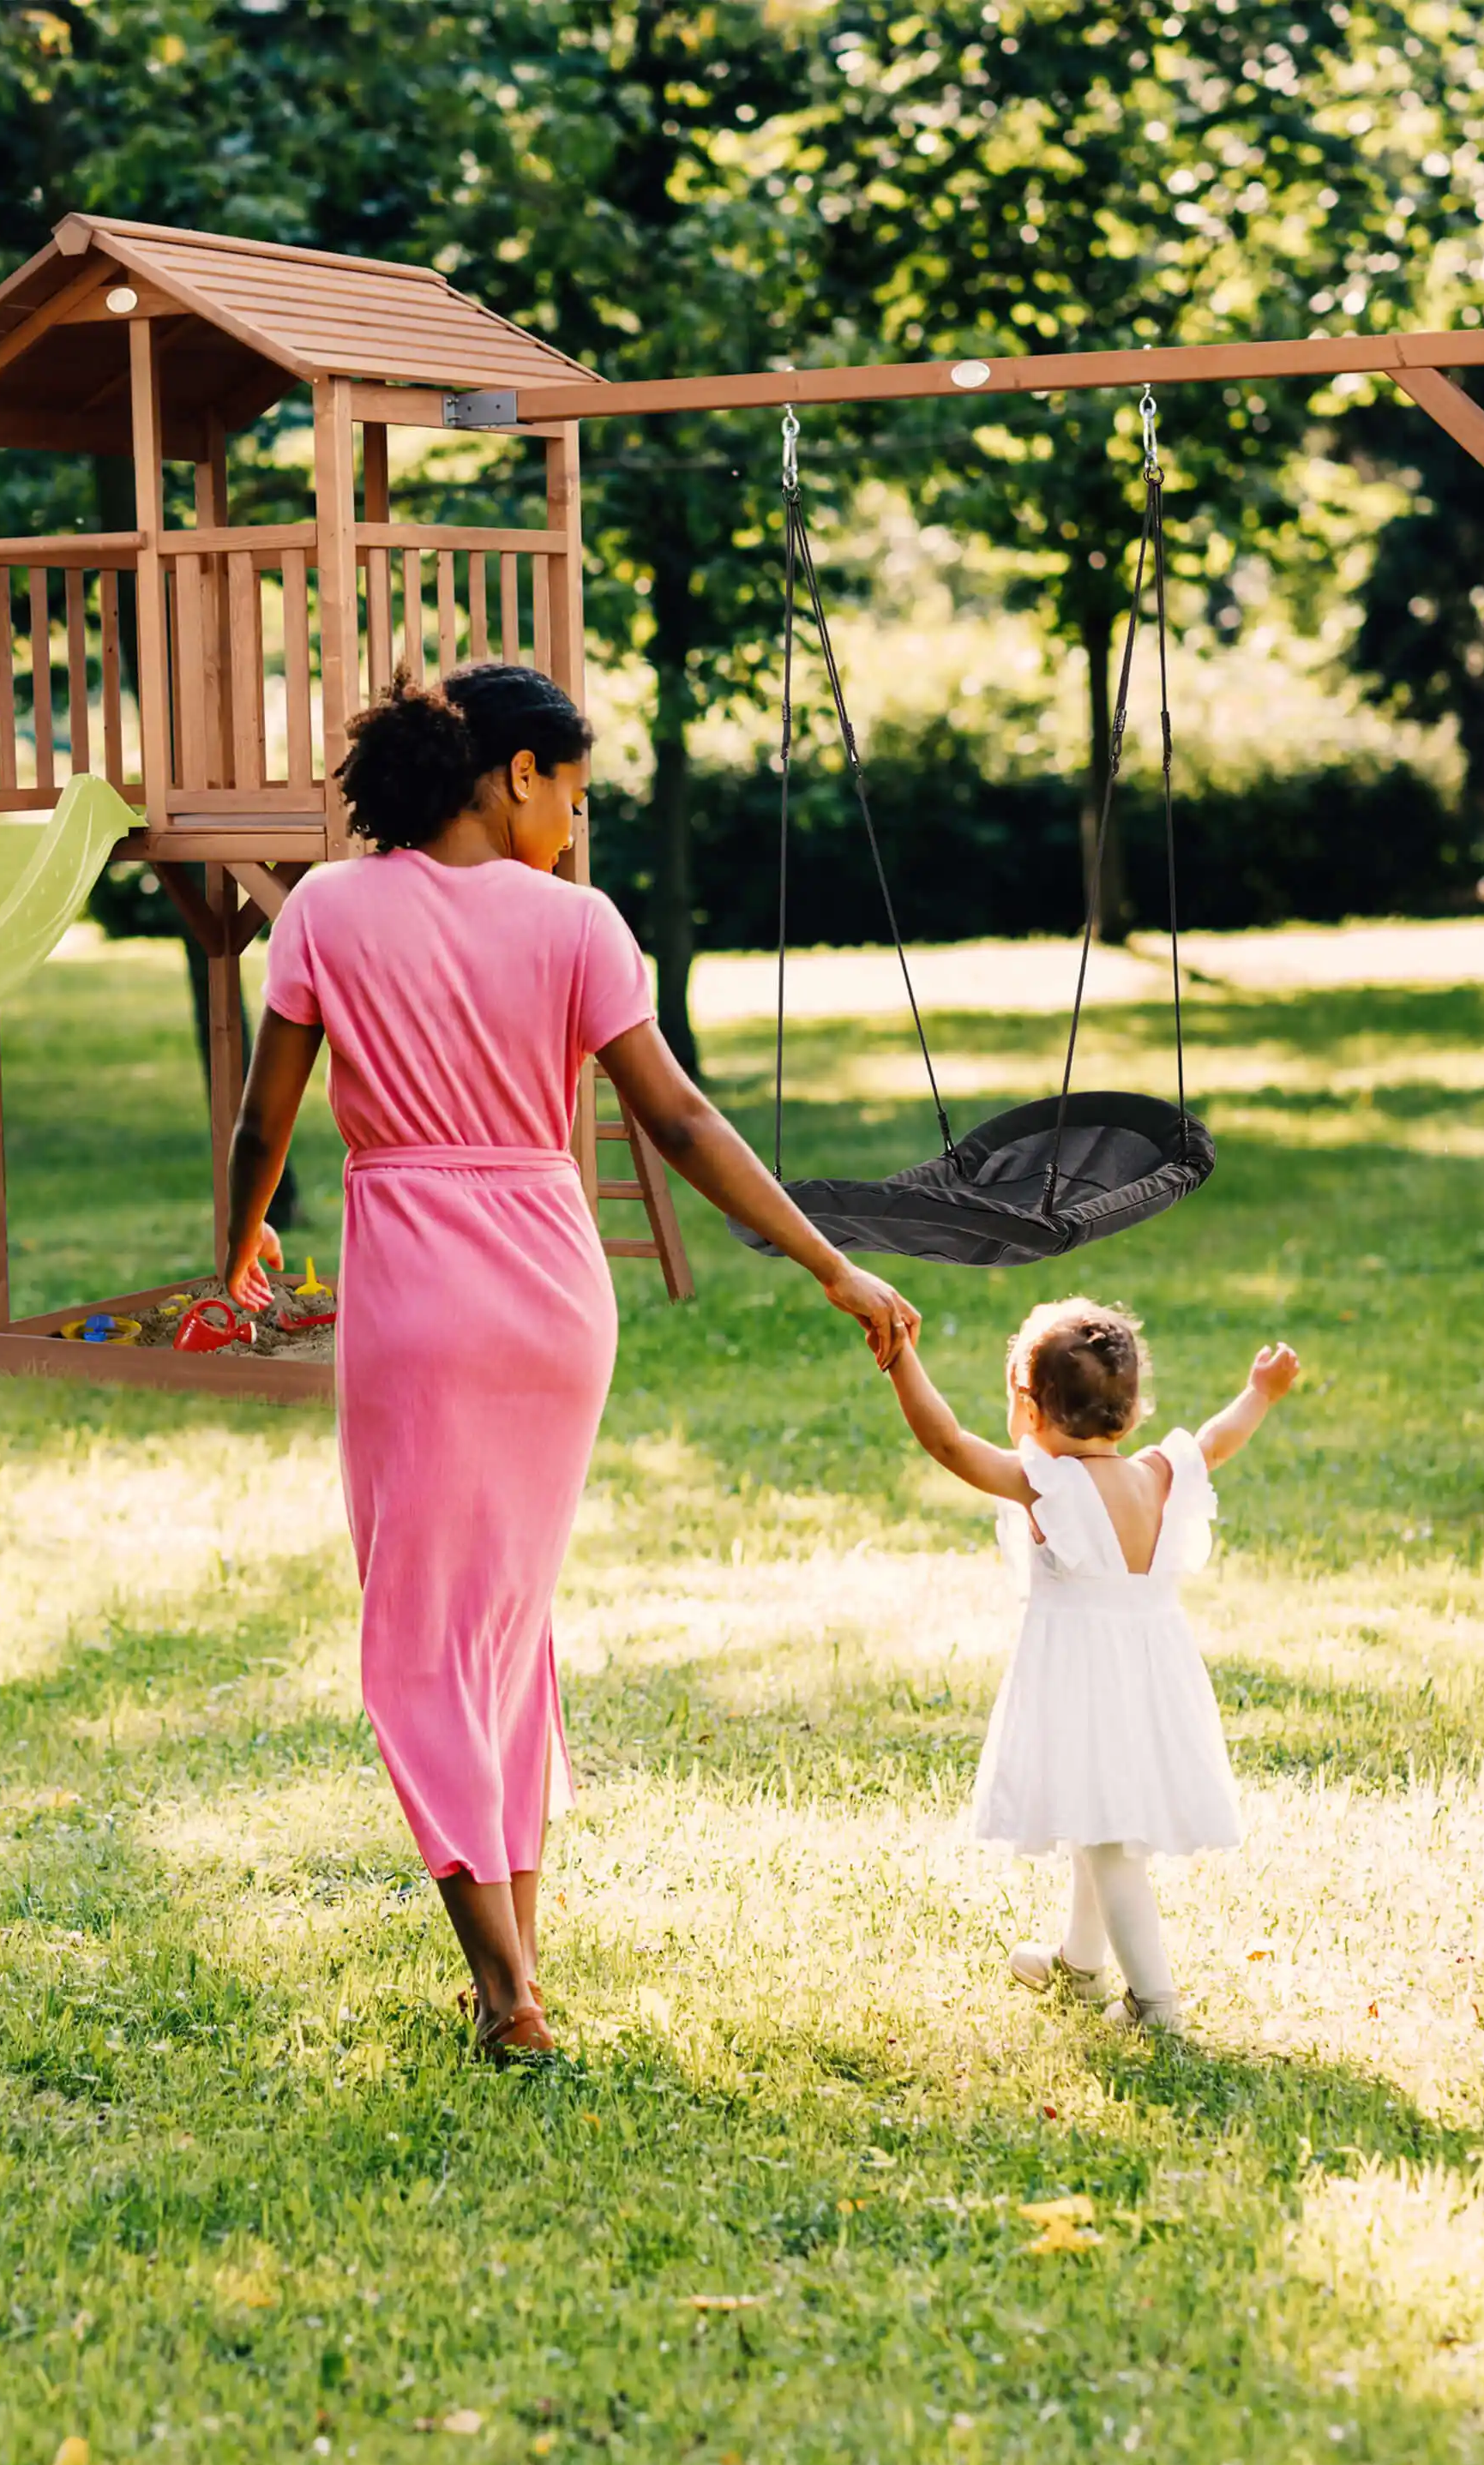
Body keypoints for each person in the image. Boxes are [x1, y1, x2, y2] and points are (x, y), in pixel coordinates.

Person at [220, 663, 920, 2064]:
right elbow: (679, 1122)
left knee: (423, 1640)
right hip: (552, 1296)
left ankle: (503, 1991)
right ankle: (518, 1965)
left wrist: (234, 1253)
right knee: (503, 1630)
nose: (576, 829)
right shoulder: (581, 928)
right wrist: (829, 1259)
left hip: (417, 1296)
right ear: (515, 774)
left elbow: (264, 1123)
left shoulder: (326, 911)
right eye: (575, 796)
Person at [881, 1298, 1302, 2033]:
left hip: (1084, 1681)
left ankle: (1154, 2002)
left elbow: (947, 1443)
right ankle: (1080, 1964)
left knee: (1109, 1841)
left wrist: (900, 1358)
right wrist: (1259, 1394)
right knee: (1094, 1813)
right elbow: (1217, 1439)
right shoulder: (1160, 1473)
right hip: (1151, 1676)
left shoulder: (1047, 1485)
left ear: (1029, 1406)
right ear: (1132, 1411)